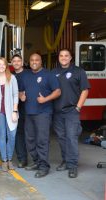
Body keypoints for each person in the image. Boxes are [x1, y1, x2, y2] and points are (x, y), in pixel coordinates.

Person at [20, 53, 61, 178]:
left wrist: (46, 99)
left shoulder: (49, 74)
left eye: (36, 60)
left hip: (43, 113)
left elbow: (58, 91)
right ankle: (37, 161)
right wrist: (21, 95)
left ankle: (44, 167)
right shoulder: (25, 75)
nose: (34, 62)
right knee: (30, 140)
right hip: (29, 113)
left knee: (42, 141)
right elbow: (21, 90)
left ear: (41, 61)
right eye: (31, 60)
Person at [52, 49, 90, 178]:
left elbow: (85, 90)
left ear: (70, 57)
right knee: (62, 138)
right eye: (61, 55)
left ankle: (72, 165)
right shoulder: (54, 72)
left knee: (71, 137)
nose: (63, 57)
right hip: (57, 112)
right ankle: (65, 161)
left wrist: (78, 108)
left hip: (71, 111)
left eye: (66, 55)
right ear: (59, 58)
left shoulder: (79, 71)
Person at [0, 57, 18, 171]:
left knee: (11, 136)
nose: (1, 66)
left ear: (6, 66)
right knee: (2, 136)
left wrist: (14, 111)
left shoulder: (12, 78)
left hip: (11, 112)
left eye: (3, 64)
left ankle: (10, 159)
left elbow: (15, 95)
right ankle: (4, 161)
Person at [12, 54, 28, 168]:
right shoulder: (10, 75)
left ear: (22, 62)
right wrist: (19, 94)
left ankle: (37, 159)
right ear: (11, 63)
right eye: (14, 61)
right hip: (16, 109)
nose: (16, 63)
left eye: (19, 61)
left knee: (31, 135)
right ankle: (22, 159)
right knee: (18, 134)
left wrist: (21, 94)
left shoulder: (29, 74)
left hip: (29, 108)